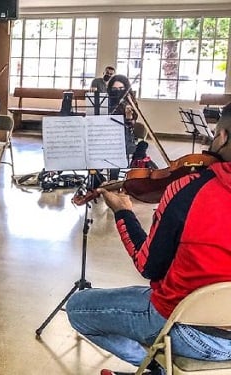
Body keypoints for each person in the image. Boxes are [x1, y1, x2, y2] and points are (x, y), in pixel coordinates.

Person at [66, 103, 231, 375]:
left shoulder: (188, 190)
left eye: (214, 134)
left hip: (187, 330)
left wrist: (123, 212)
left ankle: (154, 367)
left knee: (77, 309)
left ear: (223, 136)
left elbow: (148, 266)